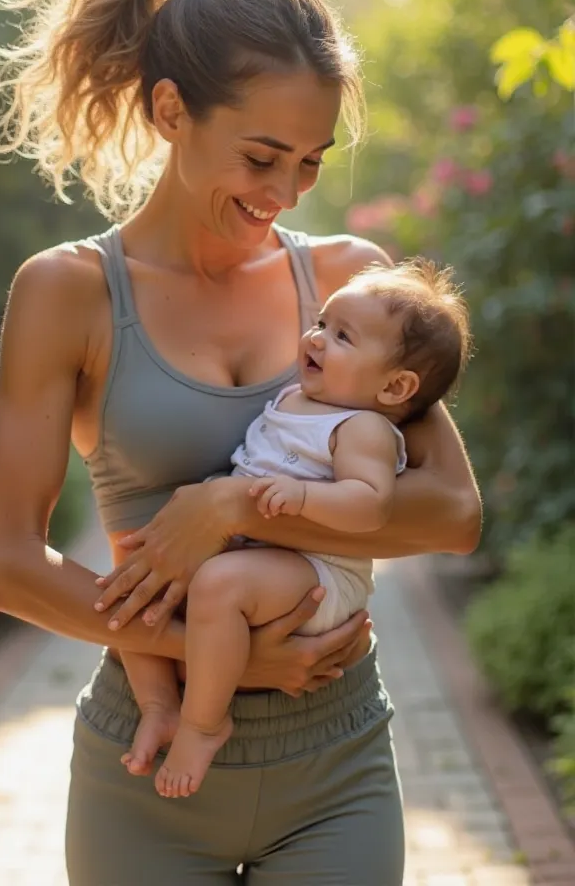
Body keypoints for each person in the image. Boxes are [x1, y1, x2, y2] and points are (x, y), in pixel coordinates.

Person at [0, 0, 481, 886]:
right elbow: (5, 562)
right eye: (261, 156)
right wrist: (225, 660)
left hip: (336, 760)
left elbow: (453, 513)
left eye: (310, 162)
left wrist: (236, 504)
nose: (287, 191)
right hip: (145, 764)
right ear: (171, 110)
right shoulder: (68, 292)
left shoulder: (348, 282)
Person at [96, 259, 471, 800]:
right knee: (141, 578)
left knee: (219, 586)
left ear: (396, 386)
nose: (316, 338)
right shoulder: (302, 399)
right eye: (321, 322)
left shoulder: (363, 428)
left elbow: (368, 507)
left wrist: (302, 496)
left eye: (341, 336)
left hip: (319, 573)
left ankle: (204, 726)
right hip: (263, 555)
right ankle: (157, 706)